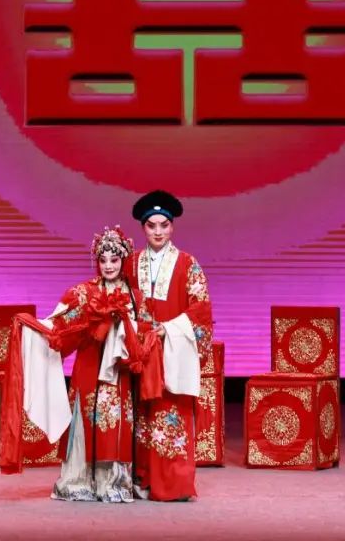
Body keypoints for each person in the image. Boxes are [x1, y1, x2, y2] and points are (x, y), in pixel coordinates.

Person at [126, 190, 212, 502]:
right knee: (141, 416)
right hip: (140, 352)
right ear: (143, 228)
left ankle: (174, 485)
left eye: (164, 225)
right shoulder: (130, 263)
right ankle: (142, 480)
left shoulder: (188, 264)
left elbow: (201, 309)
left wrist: (169, 329)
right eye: (152, 226)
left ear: (172, 226)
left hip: (172, 351)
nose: (158, 232)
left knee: (170, 413)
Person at [48, 226, 139, 502]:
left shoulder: (135, 297)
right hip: (88, 364)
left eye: (114, 259)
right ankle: (78, 481)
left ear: (124, 260)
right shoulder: (83, 292)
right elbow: (60, 322)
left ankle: (112, 483)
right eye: (103, 260)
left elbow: (144, 330)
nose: (108, 265)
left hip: (117, 370)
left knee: (113, 420)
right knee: (84, 418)